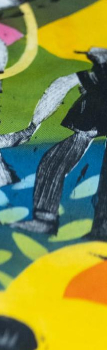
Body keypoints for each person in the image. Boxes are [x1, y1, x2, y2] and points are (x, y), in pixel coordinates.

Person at [14, 47, 107, 237]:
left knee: (52, 165)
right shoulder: (97, 76)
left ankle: (48, 220)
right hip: (89, 127)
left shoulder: (99, 74)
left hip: (90, 126)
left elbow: (62, 84)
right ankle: (47, 220)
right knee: (52, 164)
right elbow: (63, 84)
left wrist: (33, 125)